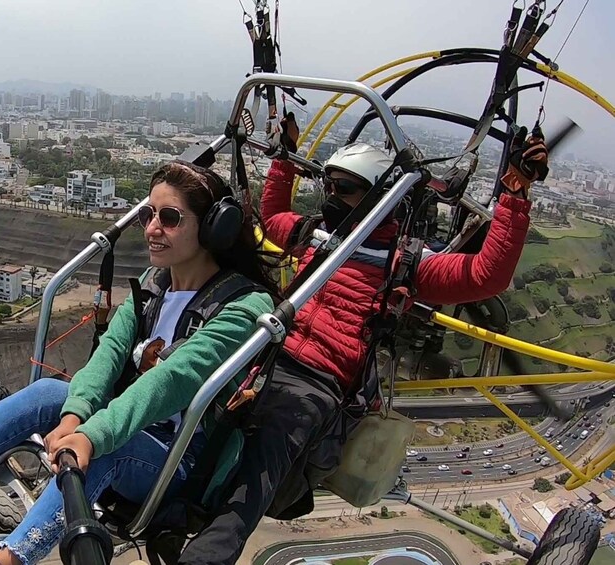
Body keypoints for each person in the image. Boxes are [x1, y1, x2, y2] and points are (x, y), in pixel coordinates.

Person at [0, 160, 278, 565]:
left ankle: (6, 560)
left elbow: (172, 380)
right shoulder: (156, 285)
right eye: (149, 215)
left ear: (213, 230)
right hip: (132, 425)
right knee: (52, 392)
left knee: (109, 446)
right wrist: (74, 416)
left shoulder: (241, 306)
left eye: (170, 218)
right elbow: (108, 353)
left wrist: (91, 435)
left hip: (178, 458)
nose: (152, 229)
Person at [176, 117, 546, 565]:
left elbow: (485, 275)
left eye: (345, 188)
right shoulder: (318, 237)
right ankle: (166, 499)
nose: (333, 197)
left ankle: (206, 554)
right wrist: (284, 158)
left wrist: (514, 193)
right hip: (272, 353)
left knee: (263, 456)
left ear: (377, 197)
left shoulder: (405, 263)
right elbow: (272, 218)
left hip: (321, 381)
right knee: (197, 396)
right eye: (329, 186)